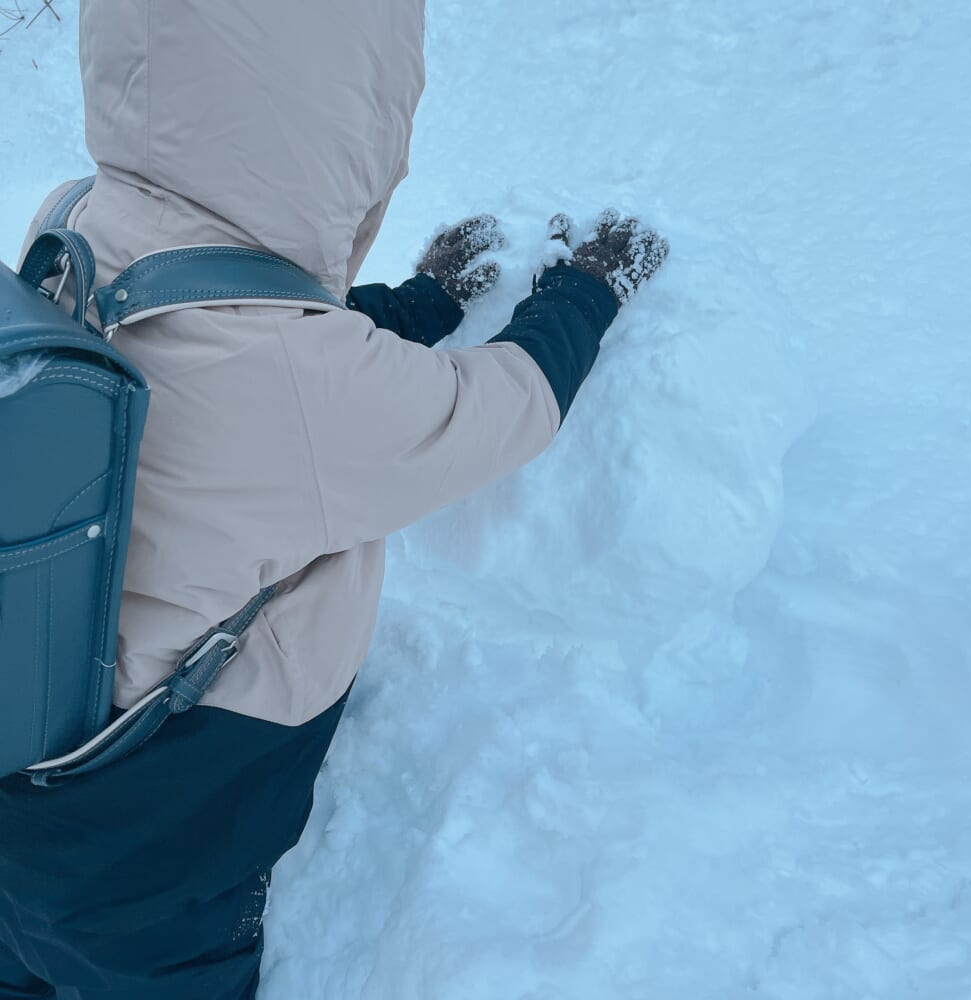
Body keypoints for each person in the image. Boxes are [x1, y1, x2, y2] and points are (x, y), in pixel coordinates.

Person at [0, 2, 668, 998]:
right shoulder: (300, 386)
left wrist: (418, 304)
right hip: (156, 863)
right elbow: (497, 408)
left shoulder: (70, 225)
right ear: (341, 118)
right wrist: (586, 292)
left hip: (25, 788)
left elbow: (244, 342)